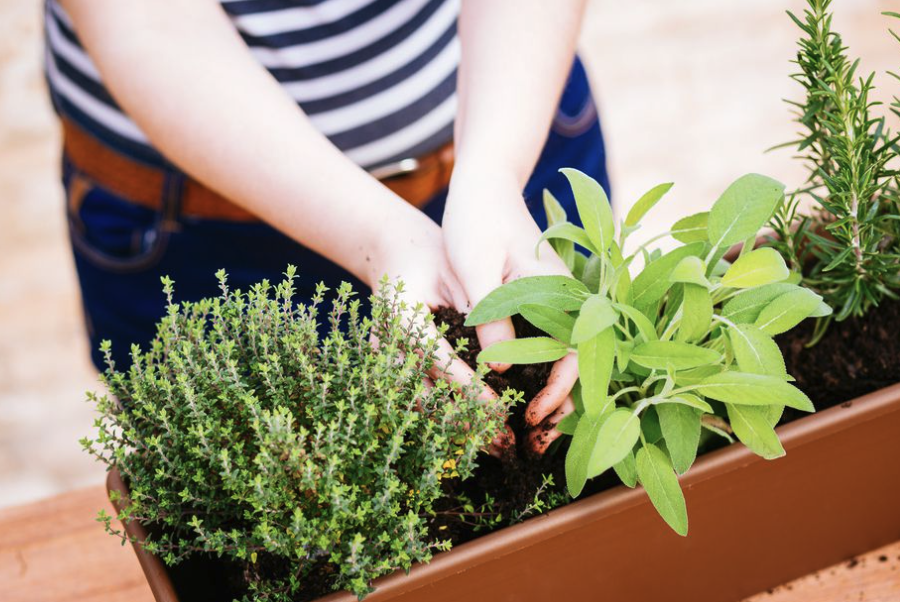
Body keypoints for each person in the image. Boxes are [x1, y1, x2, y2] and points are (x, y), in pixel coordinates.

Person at [46, 0, 610, 452]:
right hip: (205, 232)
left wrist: (492, 173)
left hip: (511, 122)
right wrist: (379, 234)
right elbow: (146, 19)